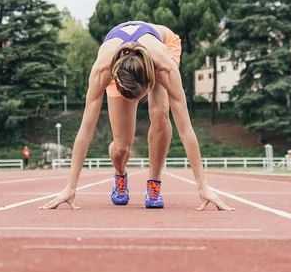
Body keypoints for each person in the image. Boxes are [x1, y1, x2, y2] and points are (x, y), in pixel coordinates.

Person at [41, 20, 234, 211]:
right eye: (129, 99)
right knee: (122, 147)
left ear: (150, 81)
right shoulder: (102, 71)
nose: (133, 103)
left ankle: (154, 184)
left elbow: (185, 130)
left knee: (160, 114)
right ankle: (120, 174)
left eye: (136, 98)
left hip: (164, 46)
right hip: (121, 59)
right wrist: (70, 187)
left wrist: (203, 187)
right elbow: (86, 130)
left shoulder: (165, 69)